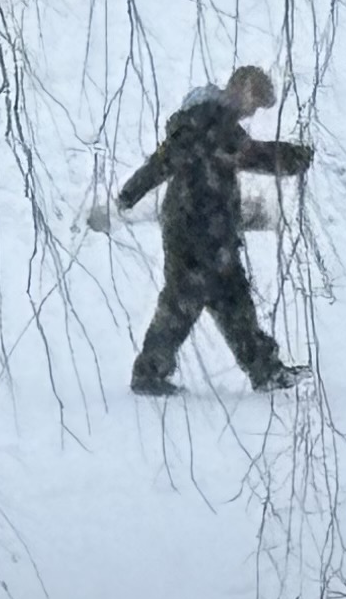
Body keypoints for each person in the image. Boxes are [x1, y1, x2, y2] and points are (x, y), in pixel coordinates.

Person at [114, 62, 316, 396]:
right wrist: (298, 158)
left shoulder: (206, 122)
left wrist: (130, 193)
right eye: (254, 102)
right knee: (181, 302)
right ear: (242, 88)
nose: (252, 112)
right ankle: (148, 374)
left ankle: (264, 369)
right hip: (193, 230)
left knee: (234, 300)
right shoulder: (209, 122)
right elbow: (252, 156)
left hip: (214, 232)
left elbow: (161, 162)